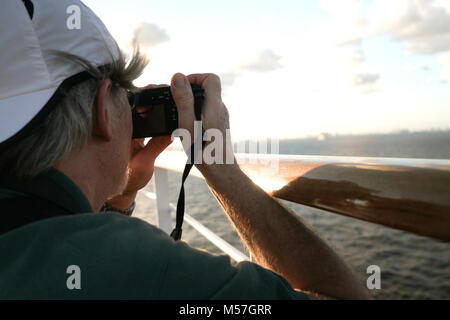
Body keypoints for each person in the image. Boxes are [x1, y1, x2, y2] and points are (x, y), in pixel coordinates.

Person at [0, 0, 370, 299]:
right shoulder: (143, 266)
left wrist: (119, 196)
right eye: (125, 96)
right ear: (103, 110)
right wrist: (221, 168)